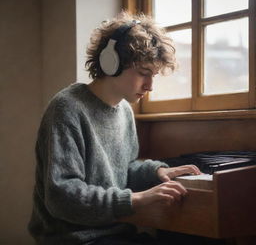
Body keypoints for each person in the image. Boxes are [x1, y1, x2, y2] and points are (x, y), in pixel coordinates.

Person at [28, 12, 201, 245]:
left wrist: (155, 172)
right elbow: (62, 196)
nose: (150, 86)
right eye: (143, 73)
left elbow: (123, 170)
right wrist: (136, 200)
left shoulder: (125, 111)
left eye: (154, 76)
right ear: (111, 62)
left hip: (115, 234)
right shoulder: (66, 108)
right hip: (71, 239)